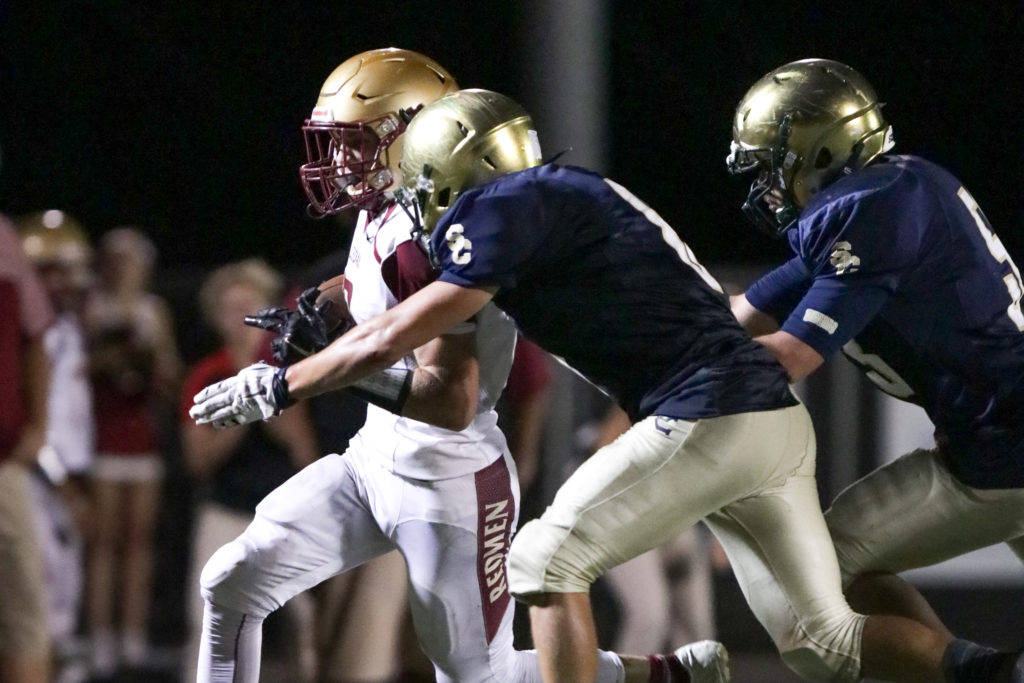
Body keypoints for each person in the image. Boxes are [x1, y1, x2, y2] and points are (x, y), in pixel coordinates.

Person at [190, 86, 964, 683]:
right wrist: (314, 312)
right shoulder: (545, 200)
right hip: (756, 418)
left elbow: (415, 353)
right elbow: (376, 299)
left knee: (541, 570)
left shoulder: (497, 211)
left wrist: (285, 383)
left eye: (373, 151)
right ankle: (990, 668)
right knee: (822, 640)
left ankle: (654, 672)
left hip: (653, 426)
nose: (365, 171)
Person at [191, 50, 724, 683]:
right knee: (232, 582)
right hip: (373, 460)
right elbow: (372, 279)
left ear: (413, 134)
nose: (338, 162)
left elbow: (450, 400)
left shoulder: (442, 234)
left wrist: (317, 370)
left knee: (479, 677)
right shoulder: (390, 207)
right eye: (335, 143)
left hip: (450, 480)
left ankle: (658, 675)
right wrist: (326, 306)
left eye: (355, 142)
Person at [725, 58, 1024, 682]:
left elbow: (791, 356)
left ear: (823, 151)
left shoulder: (866, 211)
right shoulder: (892, 190)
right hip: (996, 431)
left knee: (825, 566)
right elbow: (741, 311)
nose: (767, 187)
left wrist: (664, 371)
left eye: (771, 167)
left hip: (1001, 450)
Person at [181, 258, 320, 682]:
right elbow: (198, 461)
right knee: (205, 618)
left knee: (306, 621)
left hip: (284, 514)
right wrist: (239, 401)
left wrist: (268, 392)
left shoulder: (293, 373)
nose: (239, 322)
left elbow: (304, 453)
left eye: (248, 309)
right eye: (229, 310)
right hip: (226, 510)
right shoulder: (209, 374)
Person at [82, 226, 184, 675]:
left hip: (142, 438)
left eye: (133, 258)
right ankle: (99, 636)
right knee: (103, 543)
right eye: (117, 258)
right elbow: (81, 366)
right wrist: (113, 352)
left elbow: (168, 373)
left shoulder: (153, 310)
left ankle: (132, 636)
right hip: (103, 436)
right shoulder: (93, 307)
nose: (125, 266)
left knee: (139, 544)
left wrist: (147, 354)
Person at [17, 210, 96, 683]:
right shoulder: (32, 337)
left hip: (65, 476)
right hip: (36, 478)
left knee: (65, 587)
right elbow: (29, 422)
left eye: (68, 269)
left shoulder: (66, 330)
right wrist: (62, 481)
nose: (63, 282)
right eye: (50, 270)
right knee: (40, 589)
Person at [0, 213, 54, 683]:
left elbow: (37, 334)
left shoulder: (2, 236)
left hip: (3, 463)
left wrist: (38, 427)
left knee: (22, 611)